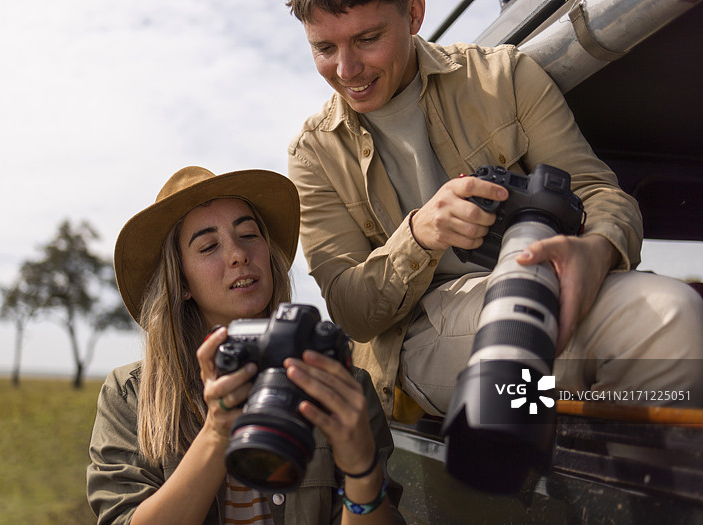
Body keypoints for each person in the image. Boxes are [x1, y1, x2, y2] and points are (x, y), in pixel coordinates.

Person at [285, 0, 703, 422]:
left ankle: (588, 470)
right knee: (636, 332)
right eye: (324, 49)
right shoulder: (313, 154)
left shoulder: (505, 75)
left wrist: (597, 249)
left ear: (414, 13)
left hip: (540, 282)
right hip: (419, 337)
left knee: (675, 320)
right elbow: (351, 311)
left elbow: (597, 191)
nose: (346, 70)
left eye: (368, 39)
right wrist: (418, 236)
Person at [86, 166, 407, 525]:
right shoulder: (131, 396)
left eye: (249, 234)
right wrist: (218, 430)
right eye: (209, 246)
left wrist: (362, 471)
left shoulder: (340, 385)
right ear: (182, 282)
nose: (238, 254)